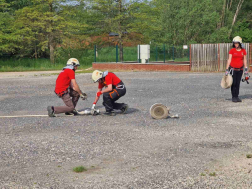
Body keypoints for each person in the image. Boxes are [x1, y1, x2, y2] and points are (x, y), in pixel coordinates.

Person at [225, 36, 248, 102]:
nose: (235, 44)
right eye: (234, 43)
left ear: (240, 43)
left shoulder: (243, 51)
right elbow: (229, 60)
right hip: (233, 70)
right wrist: (227, 69)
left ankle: (237, 96)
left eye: (237, 43)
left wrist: (246, 70)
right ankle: (233, 96)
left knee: (238, 83)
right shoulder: (232, 50)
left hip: (240, 70)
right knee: (233, 83)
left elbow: (245, 60)